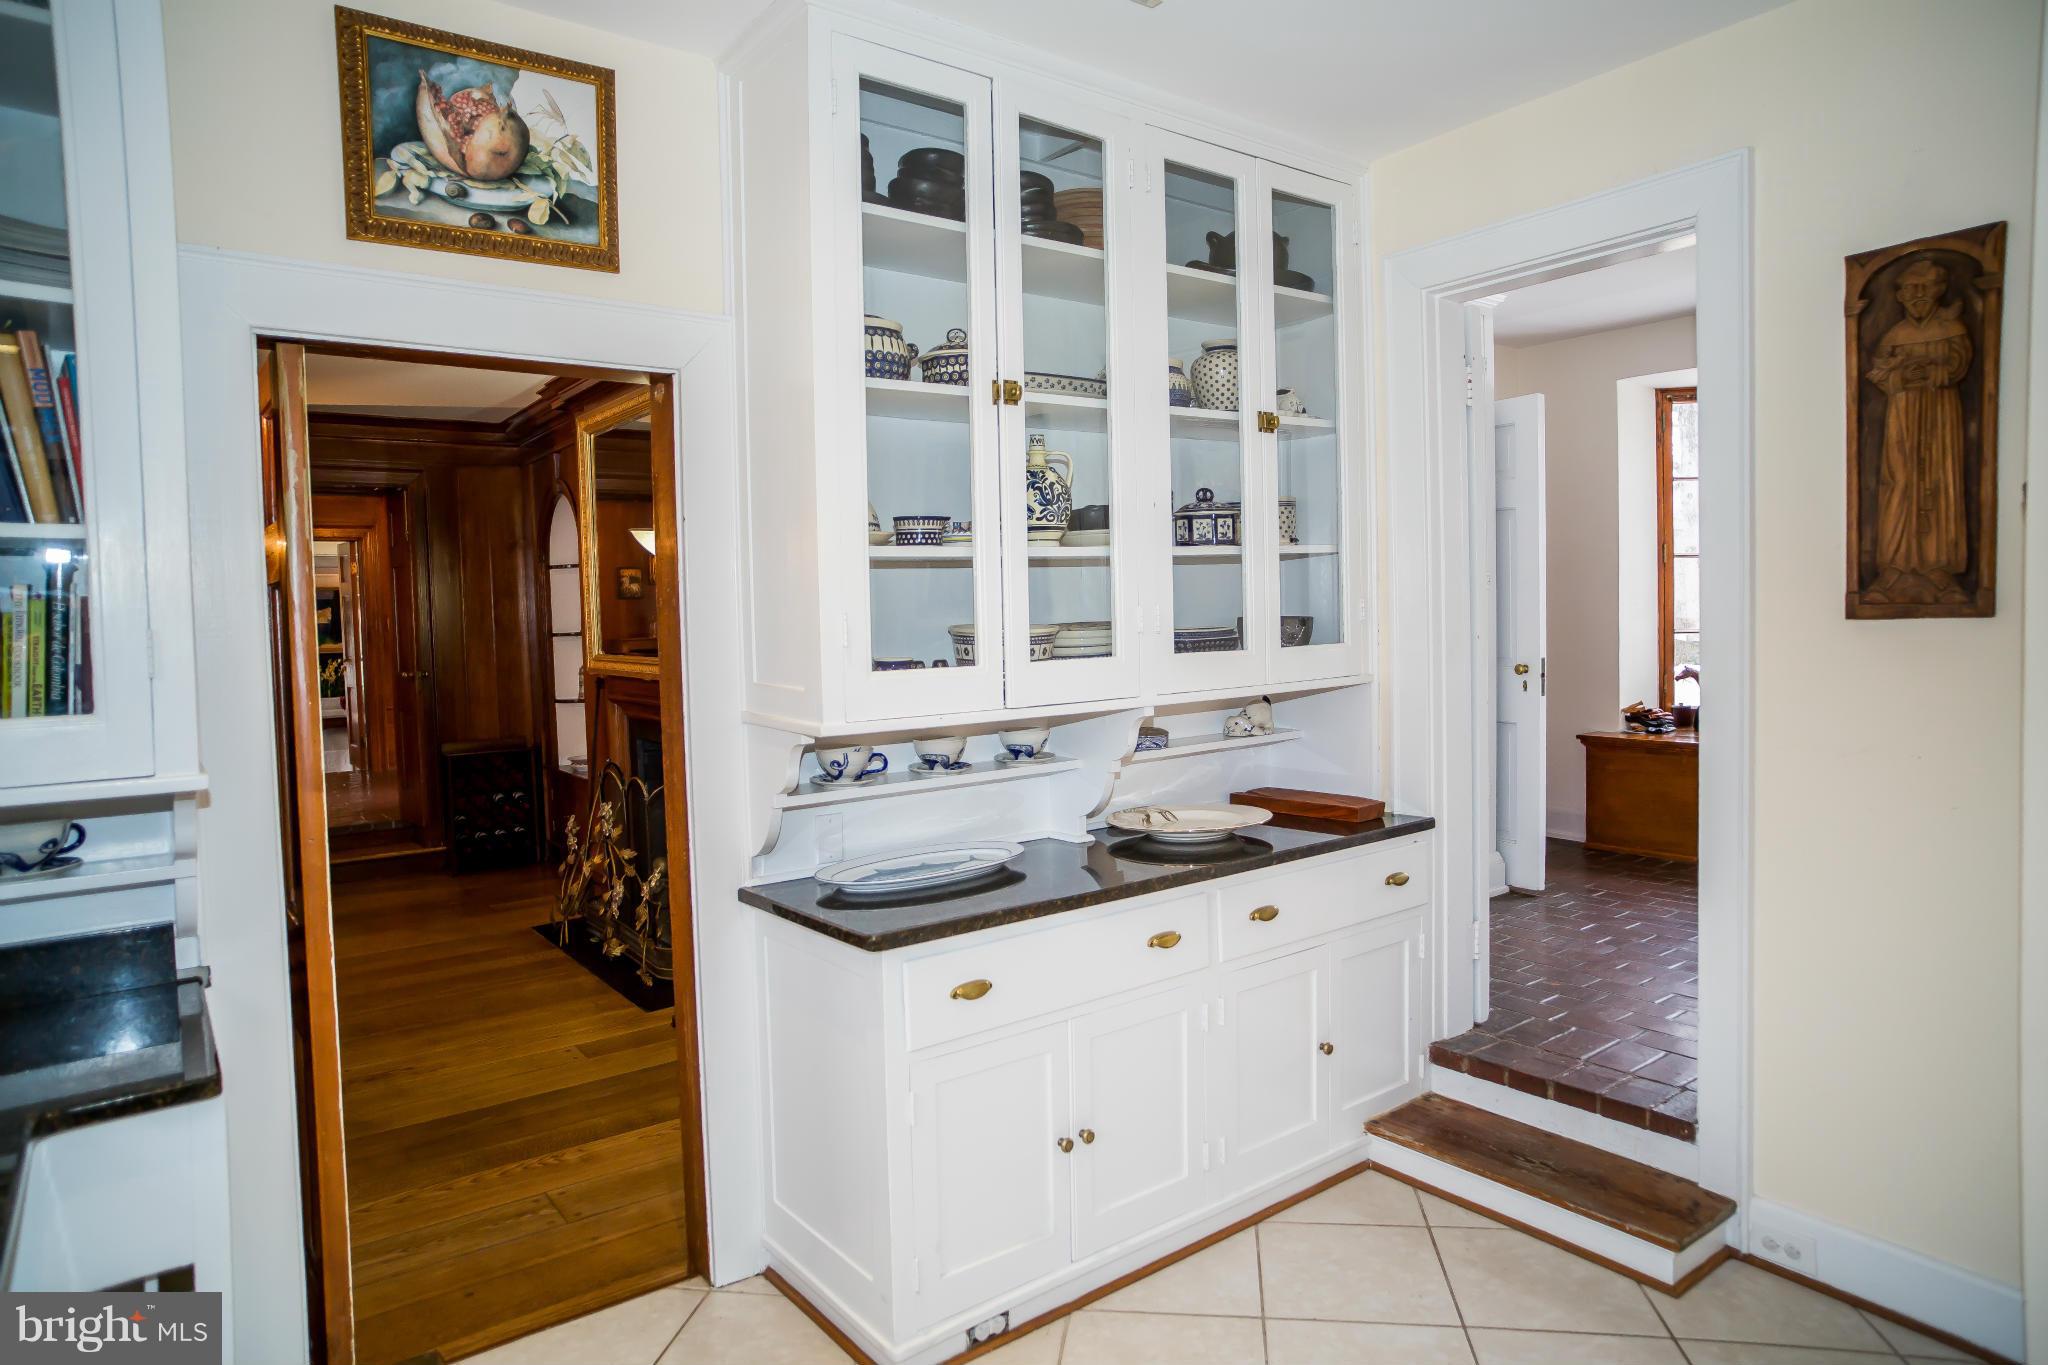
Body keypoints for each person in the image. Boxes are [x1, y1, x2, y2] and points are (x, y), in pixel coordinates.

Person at [1864, 258, 1971, 603]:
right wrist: (1901, 378)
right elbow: (1878, 374)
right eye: (1910, 289)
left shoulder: (1951, 327)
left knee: (1940, 482)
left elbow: (1959, 363)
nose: (1917, 295)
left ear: (1938, 290)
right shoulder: (1895, 336)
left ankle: (1937, 568)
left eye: (1924, 288)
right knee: (1898, 483)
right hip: (1903, 417)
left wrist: (1934, 373)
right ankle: (1894, 565)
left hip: (1940, 419)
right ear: (1900, 296)